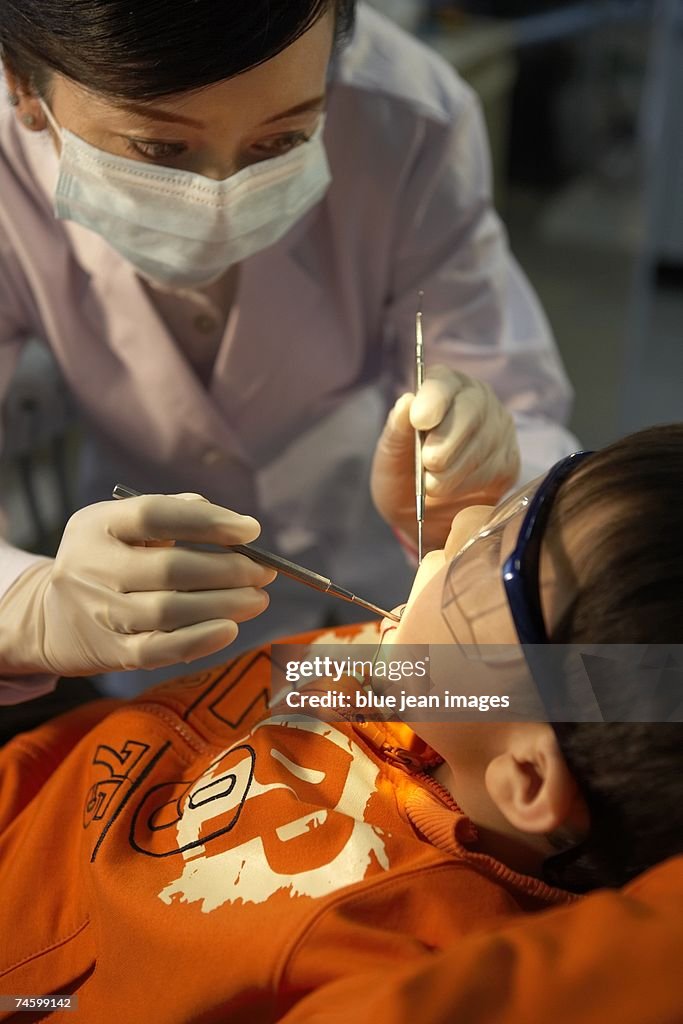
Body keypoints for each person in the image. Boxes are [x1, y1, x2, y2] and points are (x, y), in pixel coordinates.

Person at [0, 424, 680, 1022]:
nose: (470, 520)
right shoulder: (431, 694)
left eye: (498, 555)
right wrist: (21, 621)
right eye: (524, 502)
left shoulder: (393, 946)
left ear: (526, 777)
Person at [0, 0, 578, 698]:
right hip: (160, 629)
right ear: (24, 88)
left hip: (388, 585)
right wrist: (24, 603)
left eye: (279, 142)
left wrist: (489, 488)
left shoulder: (406, 119)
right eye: (159, 149)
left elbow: (510, 394)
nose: (217, 200)